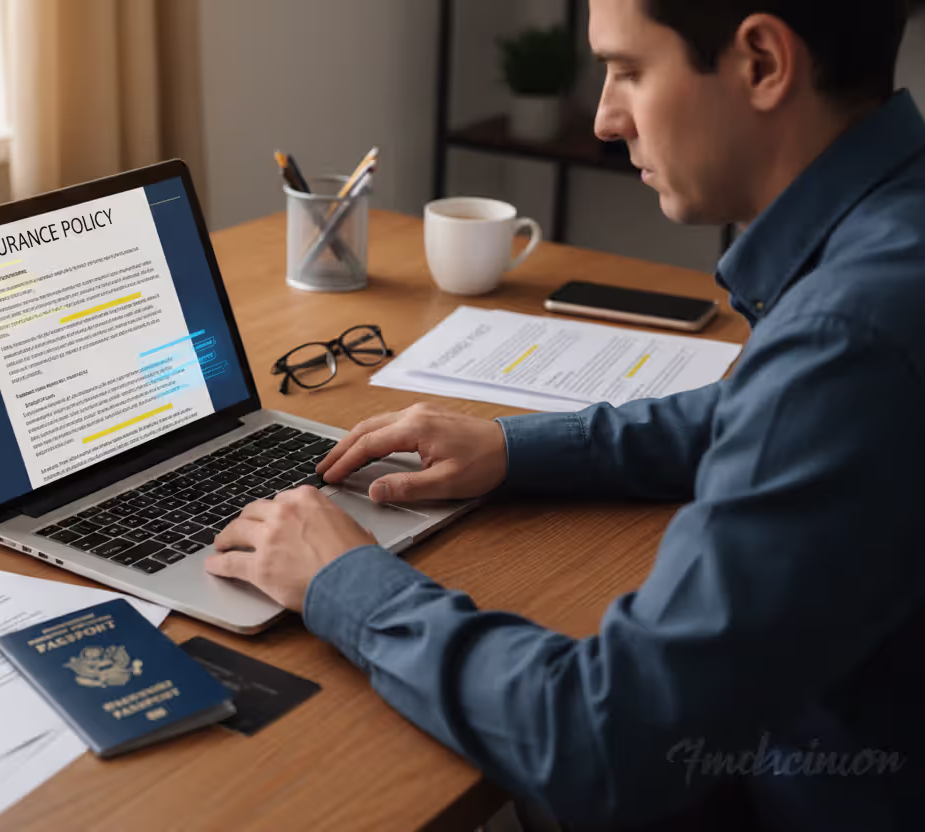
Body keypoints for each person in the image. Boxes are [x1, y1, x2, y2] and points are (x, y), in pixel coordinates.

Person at [204, 0, 925, 829]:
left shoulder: (848, 339)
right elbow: (758, 410)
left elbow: (601, 741)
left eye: (627, 70)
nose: (605, 119)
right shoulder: (890, 235)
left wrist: (344, 583)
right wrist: (515, 447)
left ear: (762, 63)